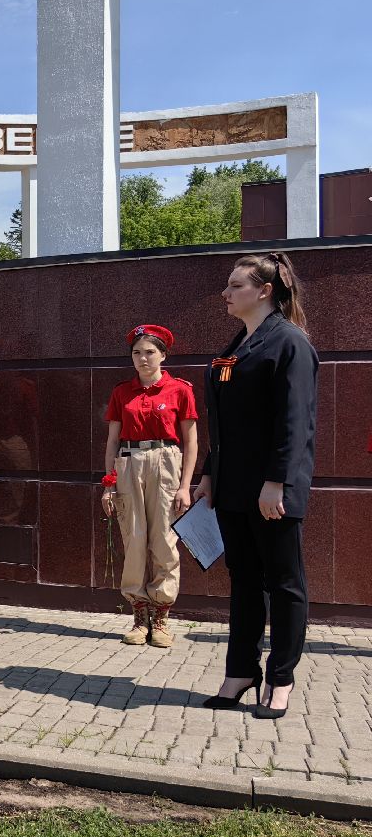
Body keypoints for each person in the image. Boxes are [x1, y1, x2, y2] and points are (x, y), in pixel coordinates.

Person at [197, 252, 318, 720]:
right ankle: (241, 672)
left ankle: (280, 678)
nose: (225, 293)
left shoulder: (289, 342)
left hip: (272, 490)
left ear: (264, 290)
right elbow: (224, 423)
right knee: (245, 582)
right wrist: (209, 473)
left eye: (235, 285)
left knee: (284, 584)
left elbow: (295, 423)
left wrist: (276, 482)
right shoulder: (237, 346)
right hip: (232, 487)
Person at [101, 325, 199, 647]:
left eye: (149, 352)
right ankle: (139, 615)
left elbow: (191, 441)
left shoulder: (180, 390)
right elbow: (112, 441)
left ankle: (161, 617)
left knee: (164, 540)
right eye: (136, 353)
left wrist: (185, 486)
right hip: (129, 463)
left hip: (166, 463)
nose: (143, 359)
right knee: (133, 538)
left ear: (163, 355)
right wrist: (109, 484)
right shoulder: (122, 392)